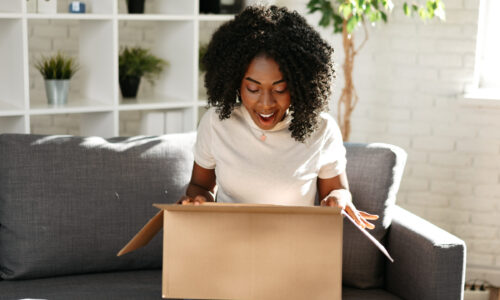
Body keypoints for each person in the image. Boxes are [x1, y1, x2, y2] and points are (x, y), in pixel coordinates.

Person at [178, 5, 378, 229]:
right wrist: (199, 200)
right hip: (230, 245)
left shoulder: (322, 129)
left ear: (297, 85)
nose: (266, 103)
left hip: (294, 249)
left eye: (280, 89)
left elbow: (337, 190)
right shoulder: (216, 124)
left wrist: (339, 198)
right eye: (253, 89)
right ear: (235, 84)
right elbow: (199, 186)